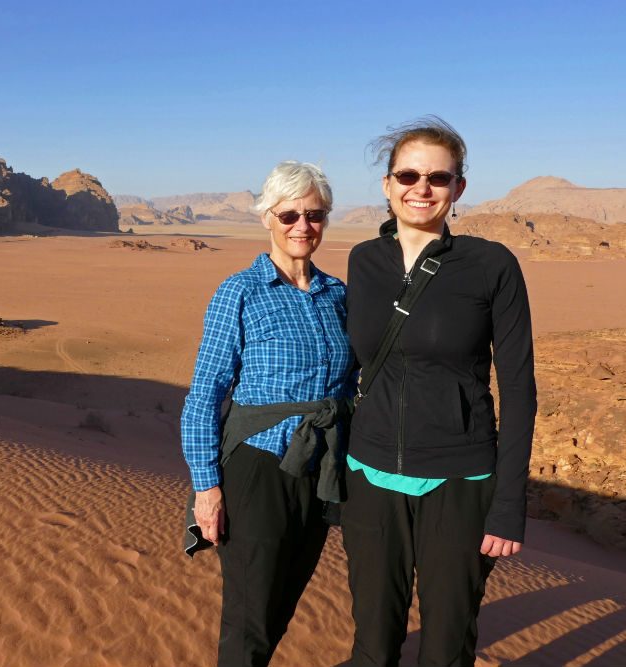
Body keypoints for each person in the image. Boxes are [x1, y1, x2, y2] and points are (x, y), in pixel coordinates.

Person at [343, 116, 536, 666]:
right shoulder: (365, 260)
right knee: (373, 643)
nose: (421, 189)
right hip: (371, 475)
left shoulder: (491, 265)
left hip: (460, 480)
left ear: (459, 188)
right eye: (407, 175)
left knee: (447, 644)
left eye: (438, 178)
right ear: (387, 185)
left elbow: (519, 388)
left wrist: (508, 505)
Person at [181, 160, 355, 667]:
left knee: (284, 601)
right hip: (258, 467)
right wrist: (206, 488)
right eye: (289, 215)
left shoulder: (338, 295)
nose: (303, 226)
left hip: (319, 467)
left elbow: (354, 381)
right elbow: (206, 393)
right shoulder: (240, 291)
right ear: (267, 218)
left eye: (315, 215)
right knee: (251, 614)